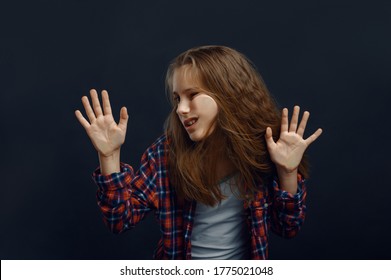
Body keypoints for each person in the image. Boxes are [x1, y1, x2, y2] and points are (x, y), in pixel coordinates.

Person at [75, 45, 322, 260]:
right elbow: (120, 220)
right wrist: (109, 157)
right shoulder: (165, 154)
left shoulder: (267, 152)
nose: (181, 109)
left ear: (229, 93)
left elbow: (288, 228)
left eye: (192, 95)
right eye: (177, 99)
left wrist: (287, 172)